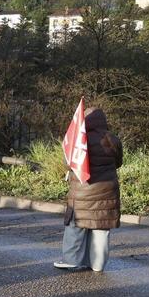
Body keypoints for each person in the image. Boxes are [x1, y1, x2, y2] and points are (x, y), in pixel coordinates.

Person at [56, 107, 123, 272]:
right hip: (107, 192)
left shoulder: (79, 139)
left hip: (82, 191)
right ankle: (97, 265)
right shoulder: (113, 139)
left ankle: (71, 260)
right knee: (101, 228)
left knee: (76, 226)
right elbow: (119, 162)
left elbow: (69, 164)